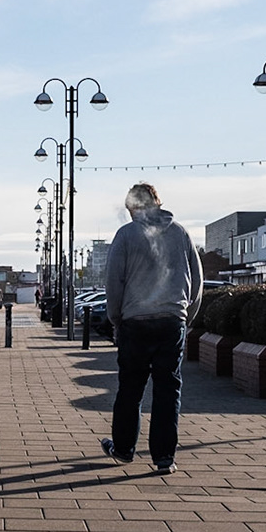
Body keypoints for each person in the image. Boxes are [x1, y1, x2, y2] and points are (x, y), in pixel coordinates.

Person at [101, 182, 202, 474]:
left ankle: (123, 448)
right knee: (168, 390)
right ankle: (164, 458)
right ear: (157, 203)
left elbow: (114, 283)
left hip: (135, 321)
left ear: (134, 206)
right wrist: (185, 317)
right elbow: (196, 282)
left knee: (130, 388)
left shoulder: (126, 234)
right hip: (172, 321)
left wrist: (116, 319)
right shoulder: (181, 233)